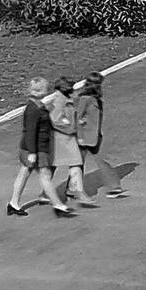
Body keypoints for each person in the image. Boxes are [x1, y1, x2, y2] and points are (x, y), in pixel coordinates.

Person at [8, 78, 69, 216]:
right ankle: (58, 205)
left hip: (35, 147)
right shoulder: (33, 109)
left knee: (24, 173)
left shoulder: (37, 105)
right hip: (35, 148)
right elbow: (30, 132)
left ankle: (13, 203)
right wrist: (32, 152)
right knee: (45, 175)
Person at [46, 75, 96, 208]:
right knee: (76, 163)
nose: (74, 92)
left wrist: (76, 121)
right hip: (62, 139)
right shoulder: (60, 102)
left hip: (61, 140)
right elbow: (55, 119)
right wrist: (70, 126)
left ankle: (45, 194)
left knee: (53, 166)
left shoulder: (63, 100)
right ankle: (78, 192)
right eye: (72, 89)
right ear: (66, 90)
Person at [75, 71, 127, 200]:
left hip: (94, 137)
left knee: (100, 161)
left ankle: (114, 187)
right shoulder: (85, 99)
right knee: (77, 164)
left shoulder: (96, 98)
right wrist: (80, 137)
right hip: (83, 137)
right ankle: (73, 190)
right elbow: (77, 118)